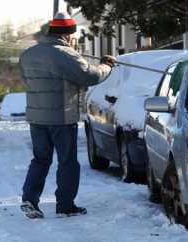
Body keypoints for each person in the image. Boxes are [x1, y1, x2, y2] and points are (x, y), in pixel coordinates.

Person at [19, 11, 116, 219]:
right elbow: (90, 75)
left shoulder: (28, 54)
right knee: (67, 162)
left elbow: (27, 82)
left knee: (40, 159)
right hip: (62, 117)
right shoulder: (65, 54)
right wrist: (107, 66)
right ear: (67, 35)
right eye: (73, 36)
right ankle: (65, 205)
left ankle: (29, 199)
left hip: (36, 118)